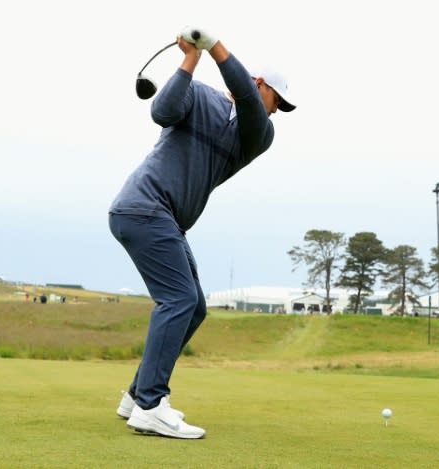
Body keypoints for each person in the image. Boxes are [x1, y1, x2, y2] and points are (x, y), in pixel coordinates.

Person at [109, 26, 296, 439]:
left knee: (193, 307)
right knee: (177, 298)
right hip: (144, 207)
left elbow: (246, 100)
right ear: (260, 84)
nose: (276, 111)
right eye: (277, 100)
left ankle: (138, 395)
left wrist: (215, 47)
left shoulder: (259, 133)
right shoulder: (200, 96)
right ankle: (152, 405)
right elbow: (162, 112)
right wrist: (191, 58)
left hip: (163, 219)